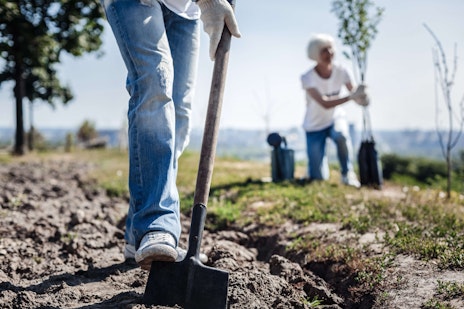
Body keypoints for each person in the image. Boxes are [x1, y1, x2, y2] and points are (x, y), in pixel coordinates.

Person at [100, 0, 241, 270]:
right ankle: (157, 223)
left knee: (178, 116)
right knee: (155, 83)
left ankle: (137, 233)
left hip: (184, 9)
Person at [301, 33, 368, 188]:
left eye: (330, 49)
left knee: (341, 136)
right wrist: (352, 96)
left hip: (335, 118)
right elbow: (324, 103)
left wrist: (363, 98)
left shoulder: (342, 71)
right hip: (314, 125)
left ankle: (347, 173)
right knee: (318, 178)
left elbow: (354, 92)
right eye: (324, 50)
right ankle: (315, 167)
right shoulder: (307, 78)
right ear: (315, 54)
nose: (329, 53)